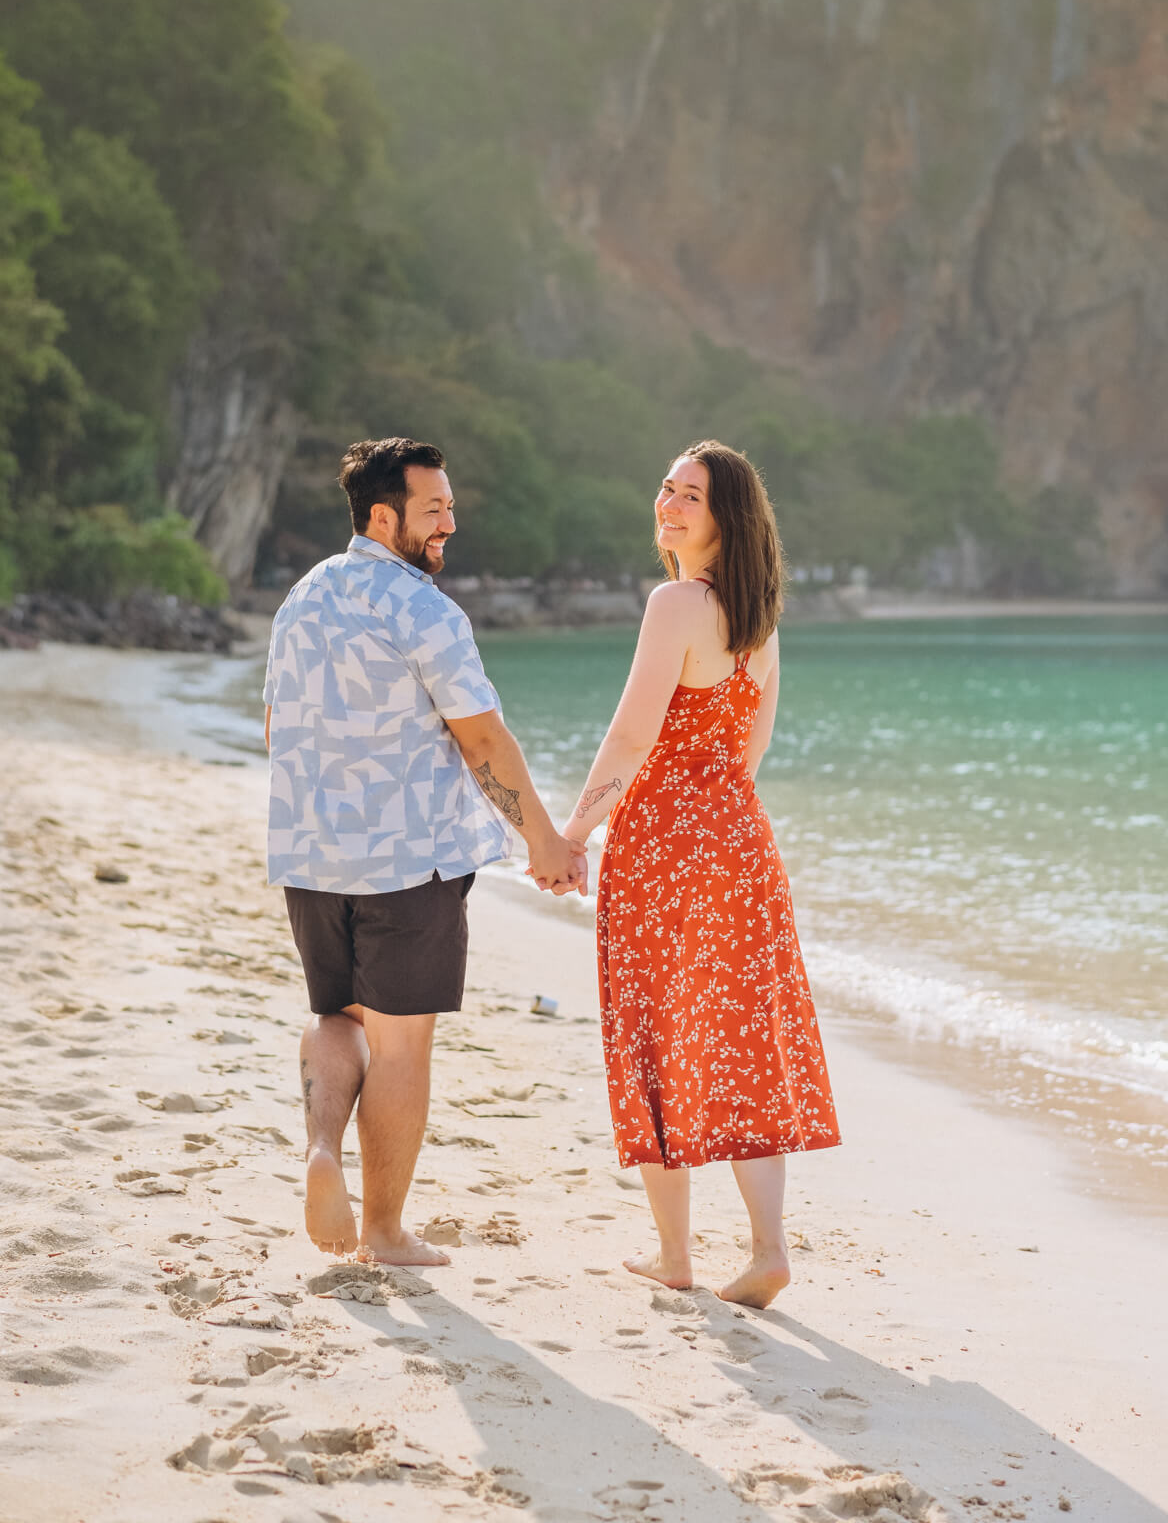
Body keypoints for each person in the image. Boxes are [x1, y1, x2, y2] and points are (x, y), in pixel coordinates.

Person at [264, 436, 586, 1266]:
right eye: (434, 508)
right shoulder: (424, 610)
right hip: (410, 865)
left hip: (311, 858)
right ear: (384, 515)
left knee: (336, 1018)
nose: (451, 521)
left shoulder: (300, 598)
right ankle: (381, 1232)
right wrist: (543, 841)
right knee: (403, 1044)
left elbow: (275, 730)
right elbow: (481, 738)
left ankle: (321, 1153)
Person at [560, 439, 839, 1308]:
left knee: (651, 1028)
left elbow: (633, 734)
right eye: (667, 489)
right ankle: (765, 1248)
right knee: (744, 1037)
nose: (669, 505)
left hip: (662, 845)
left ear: (724, 520)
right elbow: (749, 751)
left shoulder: (675, 601)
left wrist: (572, 833)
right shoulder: (758, 621)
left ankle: (674, 1250)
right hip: (740, 844)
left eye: (691, 497)